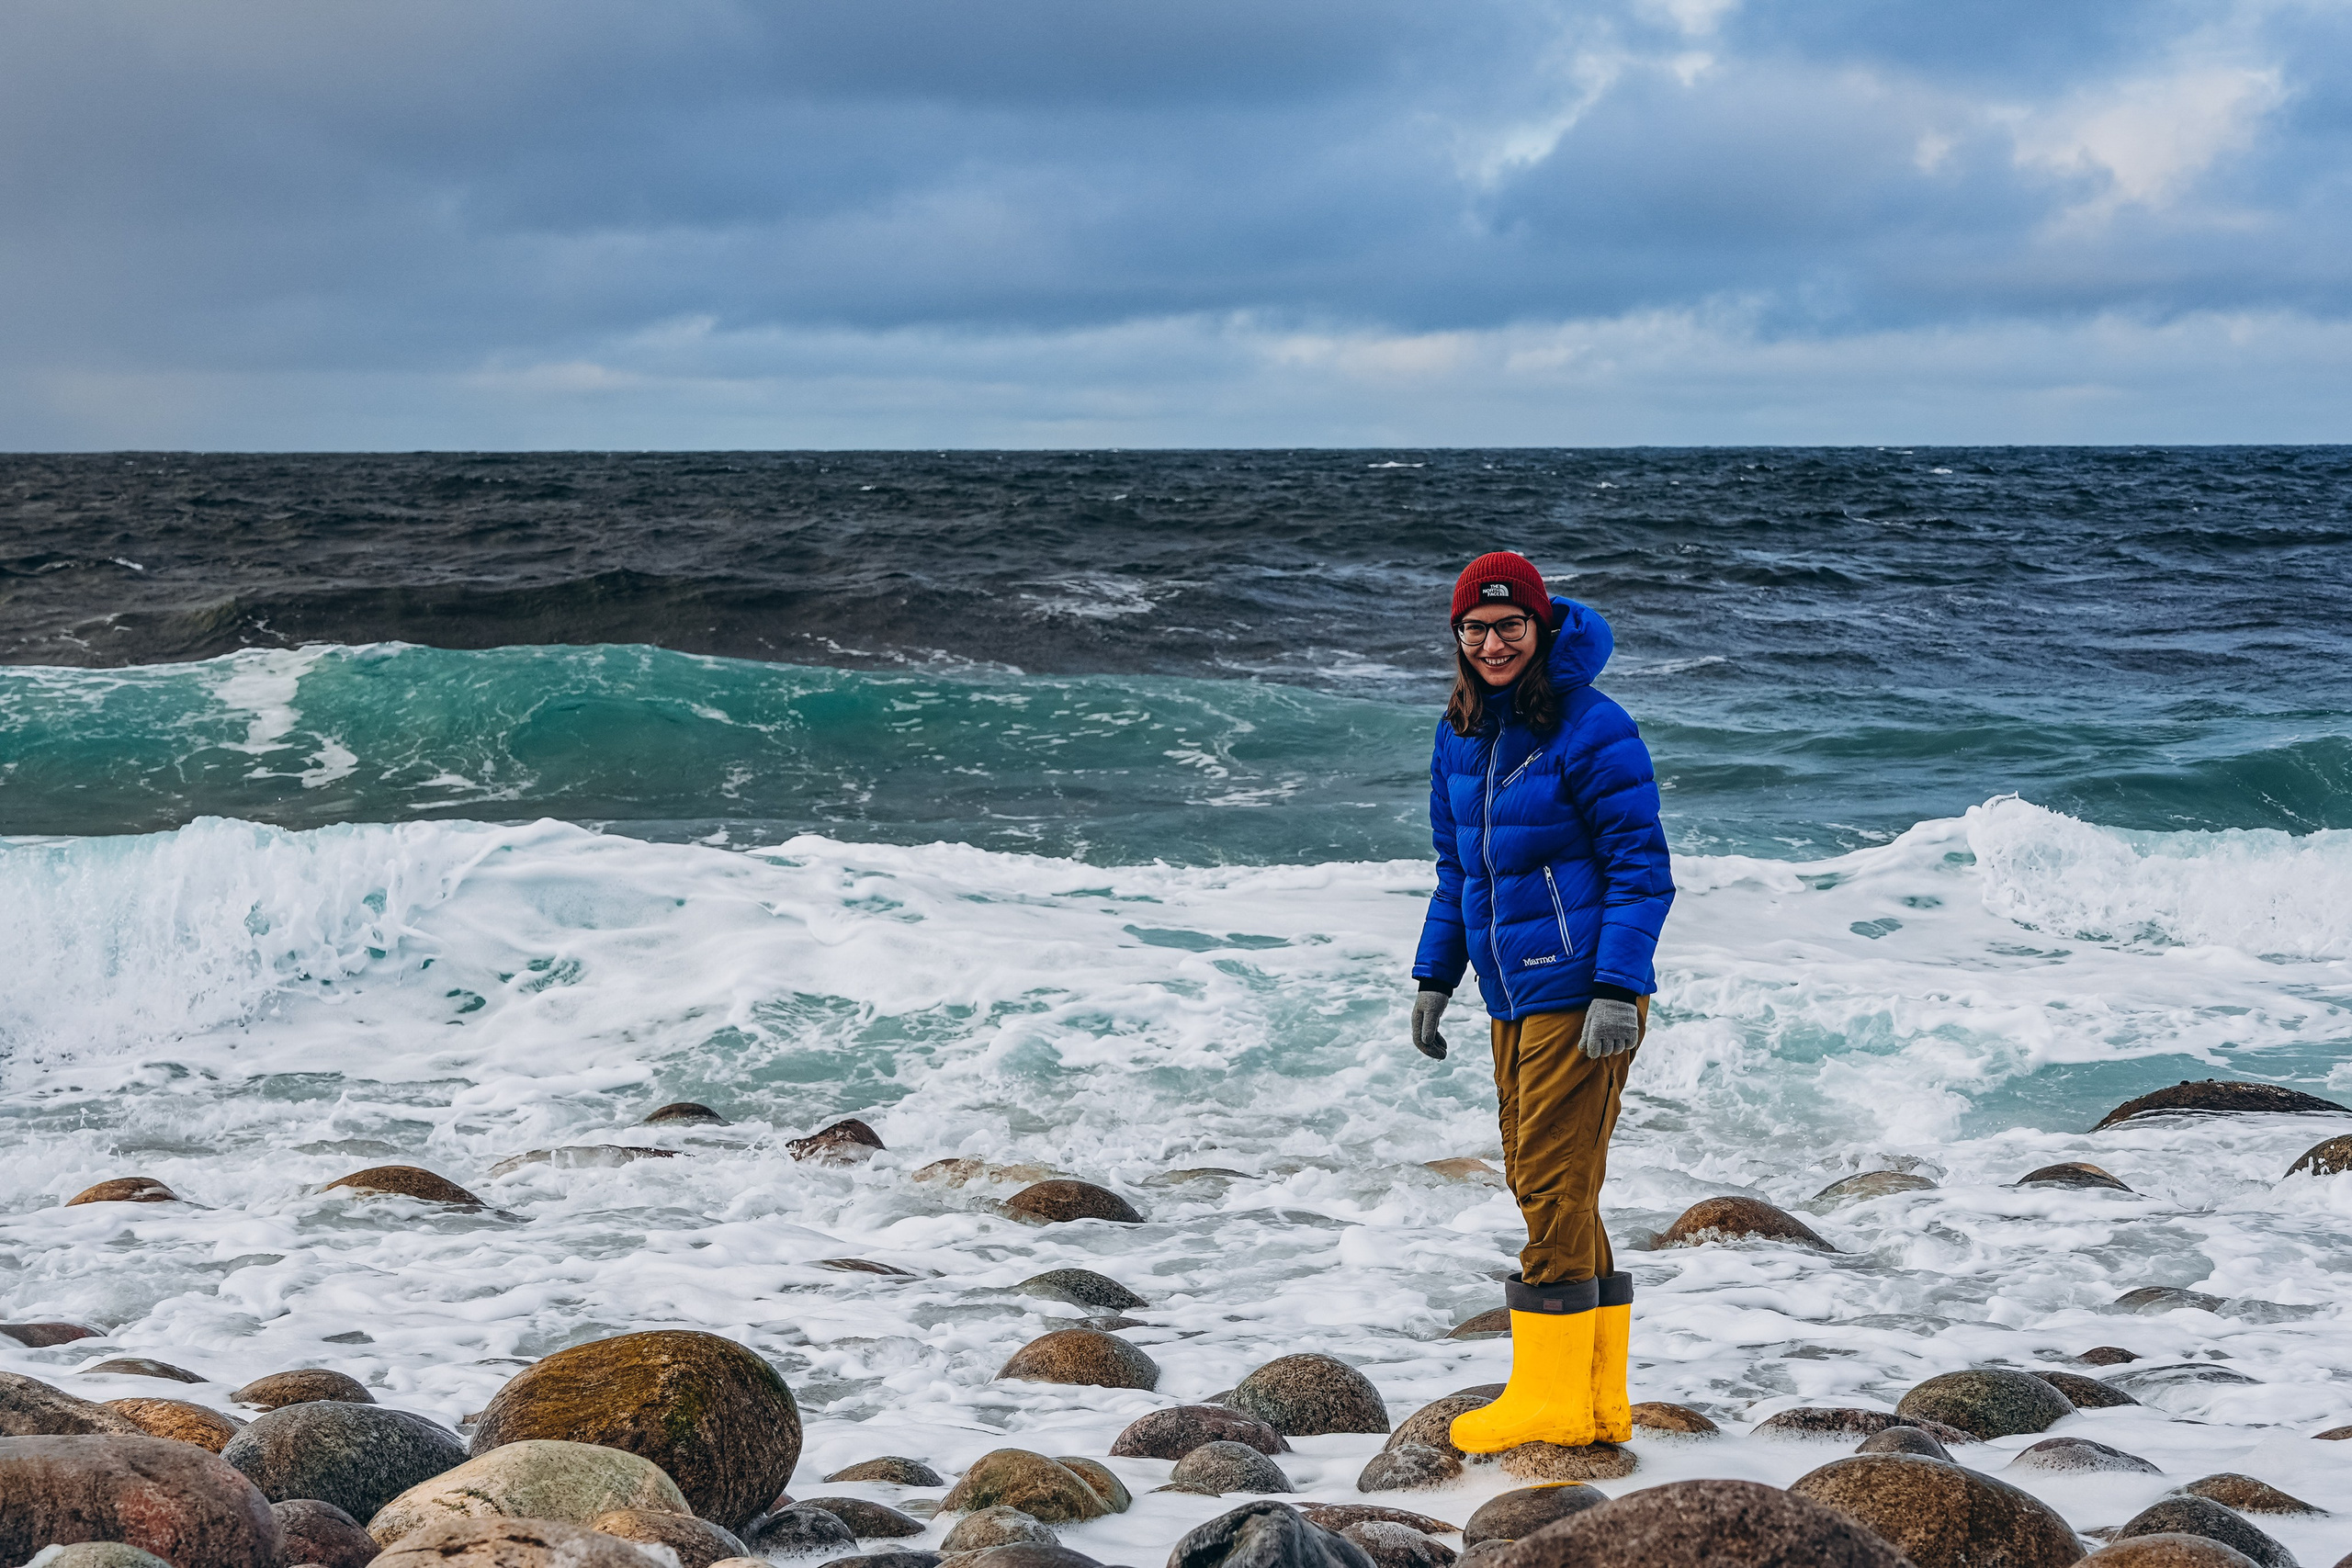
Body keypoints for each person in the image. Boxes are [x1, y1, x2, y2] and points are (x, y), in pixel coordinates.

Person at [1409, 549, 1674, 1453]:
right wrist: (1433, 976)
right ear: (1457, 636)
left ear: (1539, 627)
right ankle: (1596, 1401)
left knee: (1552, 1185)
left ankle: (1553, 1401)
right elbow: (1460, 875)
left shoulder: (1591, 728)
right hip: (1509, 994)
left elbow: (1644, 873)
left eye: (1508, 626)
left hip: (1581, 991)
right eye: (1474, 629)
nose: (1491, 643)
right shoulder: (1459, 733)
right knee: (1547, 1178)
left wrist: (1616, 987)